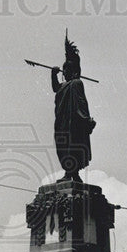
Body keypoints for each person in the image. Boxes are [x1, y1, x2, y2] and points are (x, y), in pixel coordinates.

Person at [51, 33, 96, 181]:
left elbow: (81, 102)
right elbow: (56, 88)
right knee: (62, 145)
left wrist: (86, 119)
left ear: (75, 71)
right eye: (64, 70)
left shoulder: (76, 83)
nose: (65, 72)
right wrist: (53, 75)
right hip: (62, 123)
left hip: (73, 123)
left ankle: (73, 173)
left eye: (67, 70)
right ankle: (68, 173)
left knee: (72, 145)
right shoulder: (65, 85)